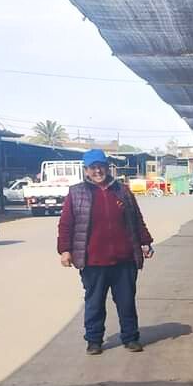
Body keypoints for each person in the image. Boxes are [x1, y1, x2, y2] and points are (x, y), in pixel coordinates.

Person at [57, 149, 154, 355]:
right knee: (94, 303)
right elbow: (66, 225)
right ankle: (94, 341)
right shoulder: (76, 193)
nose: (98, 171)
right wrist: (65, 250)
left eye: (101, 166)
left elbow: (136, 219)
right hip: (93, 261)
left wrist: (145, 242)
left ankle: (130, 337)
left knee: (127, 302)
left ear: (108, 167)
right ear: (86, 170)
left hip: (124, 259)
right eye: (93, 168)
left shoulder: (123, 191)